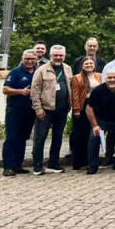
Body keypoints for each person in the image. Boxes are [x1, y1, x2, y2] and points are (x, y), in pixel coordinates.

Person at [30, 45, 73, 175]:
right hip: (45, 110)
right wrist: (38, 108)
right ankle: (37, 165)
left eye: (61, 55)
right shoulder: (42, 70)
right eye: (56, 55)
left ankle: (54, 163)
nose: (58, 57)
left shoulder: (67, 68)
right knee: (40, 137)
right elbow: (35, 90)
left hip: (62, 110)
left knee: (58, 137)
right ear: (51, 55)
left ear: (64, 56)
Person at [1, 49, 38, 176]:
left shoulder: (37, 72)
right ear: (22, 59)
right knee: (12, 138)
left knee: (22, 138)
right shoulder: (15, 72)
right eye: (27, 59)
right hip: (15, 110)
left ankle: (17, 165)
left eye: (32, 59)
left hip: (30, 111)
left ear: (36, 60)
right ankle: (8, 167)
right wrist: (20, 92)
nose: (29, 61)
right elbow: (5, 89)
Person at [69, 57, 103, 171]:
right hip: (83, 107)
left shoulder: (99, 76)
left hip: (97, 107)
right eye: (86, 63)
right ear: (82, 65)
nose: (89, 65)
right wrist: (76, 109)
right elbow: (75, 95)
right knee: (81, 136)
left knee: (94, 134)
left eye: (91, 63)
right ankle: (79, 162)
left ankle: (92, 160)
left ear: (94, 65)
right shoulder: (77, 78)